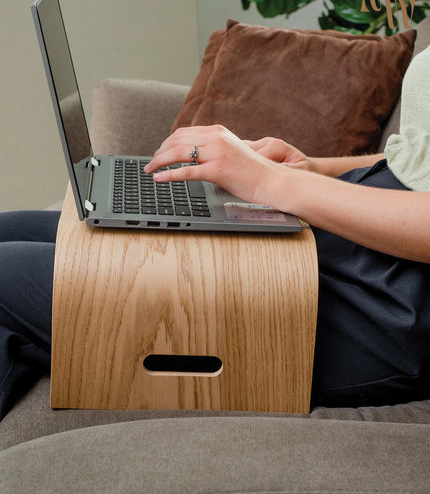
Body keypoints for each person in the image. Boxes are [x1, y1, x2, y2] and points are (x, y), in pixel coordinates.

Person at [1, 47, 429, 421]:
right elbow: (416, 154)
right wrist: (317, 168)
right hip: (345, 220)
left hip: (385, 299)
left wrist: (272, 184)